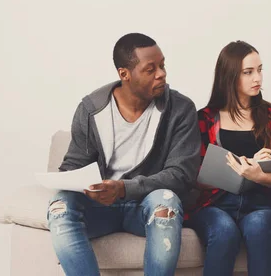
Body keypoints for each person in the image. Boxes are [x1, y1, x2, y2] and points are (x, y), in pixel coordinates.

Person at [47, 33, 201, 276]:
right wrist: (81, 184)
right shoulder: (91, 109)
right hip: (101, 208)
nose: (161, 74)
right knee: (59, 206)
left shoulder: (180, 109)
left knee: (166, 202)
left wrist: (123, 188)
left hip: (145, 206)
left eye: (162, 65)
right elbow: (74, 165)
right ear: (124, 74)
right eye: (150, 69)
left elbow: (181, 175)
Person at [184, 40, 271, 276]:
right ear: (230, 76)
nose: (258, 78)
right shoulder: (203, 119)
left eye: (259, 69)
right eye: (248, 72)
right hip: (215, 204)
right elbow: (194, 176)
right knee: (224, 232)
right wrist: (241, 170)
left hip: (263, 204)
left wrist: (259, 175)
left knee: (257, 227)